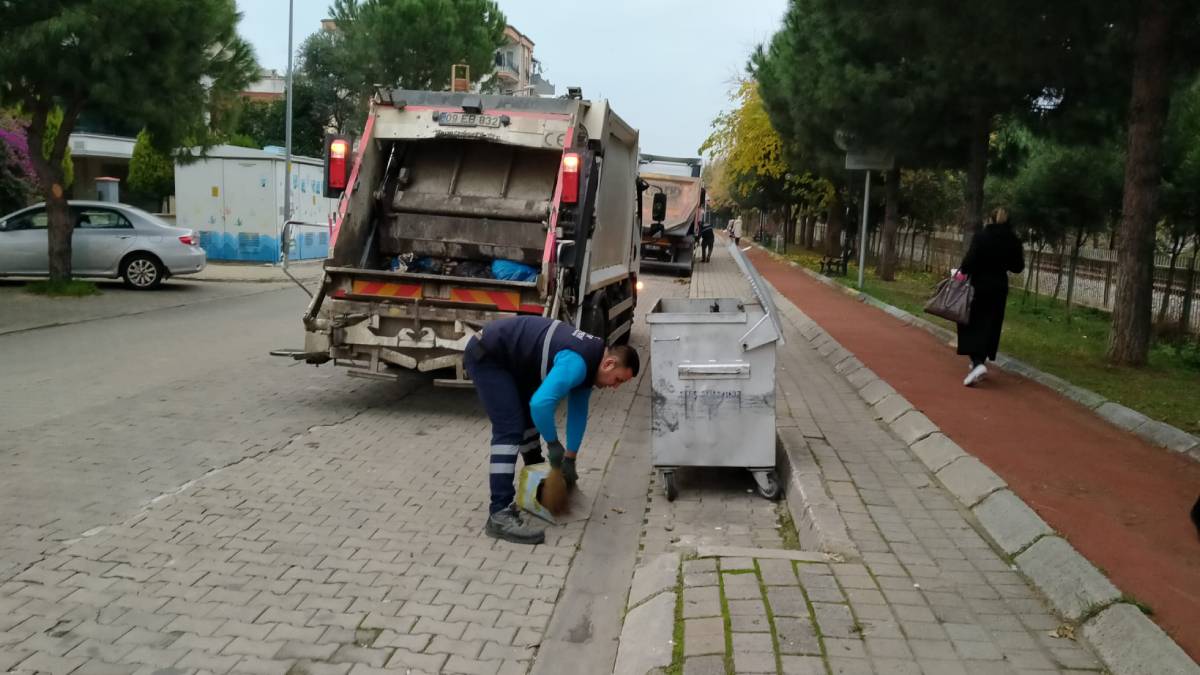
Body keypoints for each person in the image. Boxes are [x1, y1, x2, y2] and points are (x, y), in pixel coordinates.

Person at [463, 316, 640, 544]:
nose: (615, 387)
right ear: (609, 364)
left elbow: (578, 411)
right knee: (509, 428)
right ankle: (499, 513)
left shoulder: (592, 361)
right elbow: (541, 404)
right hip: (489, 355)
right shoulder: (577, 363)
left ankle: (535, 484)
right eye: (617, 380)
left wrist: (570, 458)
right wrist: (554, 444)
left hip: (513, 361)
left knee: (527, 420)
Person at [957, 208, 1025, 386]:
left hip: (979, 286)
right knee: (991, 324)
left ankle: (977, 362)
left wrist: (963, 272)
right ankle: (979, 361)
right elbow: (1018, 267)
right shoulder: (1013, 240)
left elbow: (969, 261)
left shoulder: (981, 237)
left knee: (970, 322)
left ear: (991, 219)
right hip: (999, 287)